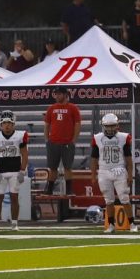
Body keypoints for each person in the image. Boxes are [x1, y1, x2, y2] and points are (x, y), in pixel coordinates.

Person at [90, 113, 136, 233]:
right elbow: (94, 158)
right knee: (108, 200)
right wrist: (93, 175)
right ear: (103, 126)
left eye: (112, 126)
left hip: (119, 170)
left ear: (117, 126)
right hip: (104, 171)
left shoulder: (123, 137)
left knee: (124, 199)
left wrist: (130, 174)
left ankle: (132, 224)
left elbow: (128, 159)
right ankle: (111, 224)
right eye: (108, 126)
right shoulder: (98, 138)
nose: (110, 128)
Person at [43, 87, 80, 221]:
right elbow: (47, 124)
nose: (57, 96)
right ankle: (50, 188)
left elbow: (77, 124)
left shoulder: (73, 108)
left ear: (65, 95)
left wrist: (74, 140)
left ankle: (69, 189)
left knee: (68, 167)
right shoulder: (51, 108)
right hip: (54, 141)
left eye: (59, 94)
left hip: (67, 142)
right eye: (56, 94)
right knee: (52, 167)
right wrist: (47, 139)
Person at [0, 111, 29, 230]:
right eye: (4, 123)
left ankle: (15, 223)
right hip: (1, 171)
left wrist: (22, 171)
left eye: (9, 123)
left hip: (15, 171)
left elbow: (24, 155)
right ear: (0, 124)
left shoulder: (20, 135)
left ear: (14, 124)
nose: (7, 125)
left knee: (14, 197)